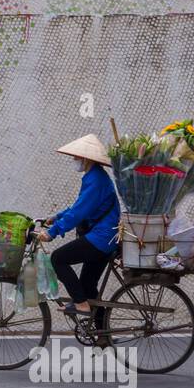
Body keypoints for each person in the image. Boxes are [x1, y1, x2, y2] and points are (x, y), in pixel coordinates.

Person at [35, 133, 120, 317]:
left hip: (101, 237)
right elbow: (79, 207)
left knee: (58, 258)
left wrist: (52, 232)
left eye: (76, 156)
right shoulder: (95, 177)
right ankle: (102, 337)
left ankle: (81, 305)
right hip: (104, 237)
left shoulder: (96, 180)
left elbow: (79, 212)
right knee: (88, 287)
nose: (74, 159)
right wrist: (57, 216)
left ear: (86, 158)